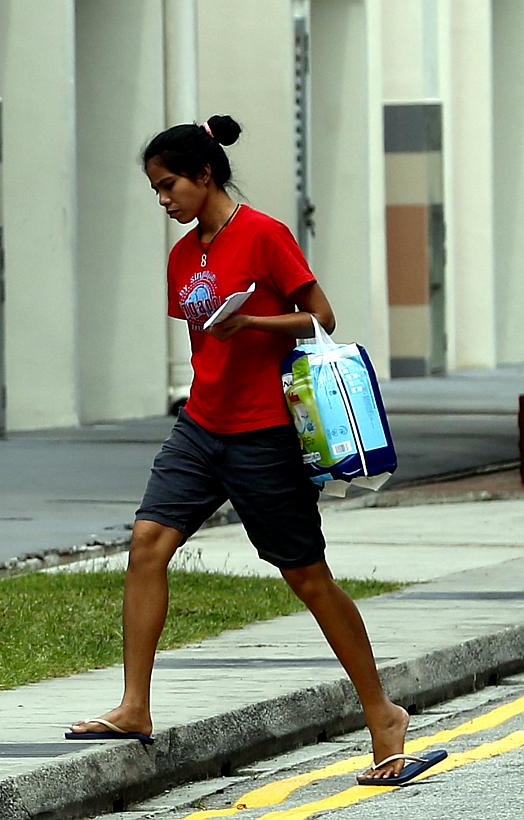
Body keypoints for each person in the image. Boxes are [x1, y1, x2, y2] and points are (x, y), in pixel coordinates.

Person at [64, 115, 446, 787]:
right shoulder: (183, 255)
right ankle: (134, 706)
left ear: (204, 174)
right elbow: (203, 345)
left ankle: (383, 713)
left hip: (265, 432)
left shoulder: (265, 234)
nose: (163, 201)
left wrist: (253, 320)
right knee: (147, 543)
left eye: (168, 185)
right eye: (155, 189)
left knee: (306, 577)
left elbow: (322, 317)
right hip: (201, 425)